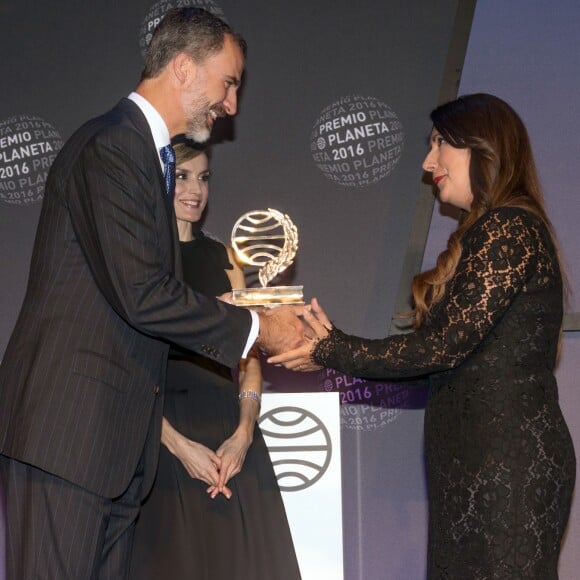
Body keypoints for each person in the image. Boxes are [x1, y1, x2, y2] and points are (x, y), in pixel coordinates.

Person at [0, 8, 303, 580]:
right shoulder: (114, 146)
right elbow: (143, 294)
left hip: (112, 451)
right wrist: (259, 327)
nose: (231, 104)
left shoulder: (145, 156)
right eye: (229, 82)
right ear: (184, 68)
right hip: (70, 438)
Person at [270, 93, 576, 579]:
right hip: (476, 467)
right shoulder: (487, 233)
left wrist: (334, 348)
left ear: (483, 147)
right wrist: (334, 348)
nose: (427, 161)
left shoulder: (509, 229)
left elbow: (442, 346)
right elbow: (440, 363)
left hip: (507, 468)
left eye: (440, 143)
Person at [129, 140, 301, 579]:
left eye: (203, 177)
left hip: (230, 433)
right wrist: (177, 445)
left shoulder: (224, 257)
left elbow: (248, 356)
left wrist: (244, 433)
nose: (195, 189)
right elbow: (125, 365)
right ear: (159, 180)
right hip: (161, 429)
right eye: (182, 176)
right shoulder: (136, 261)